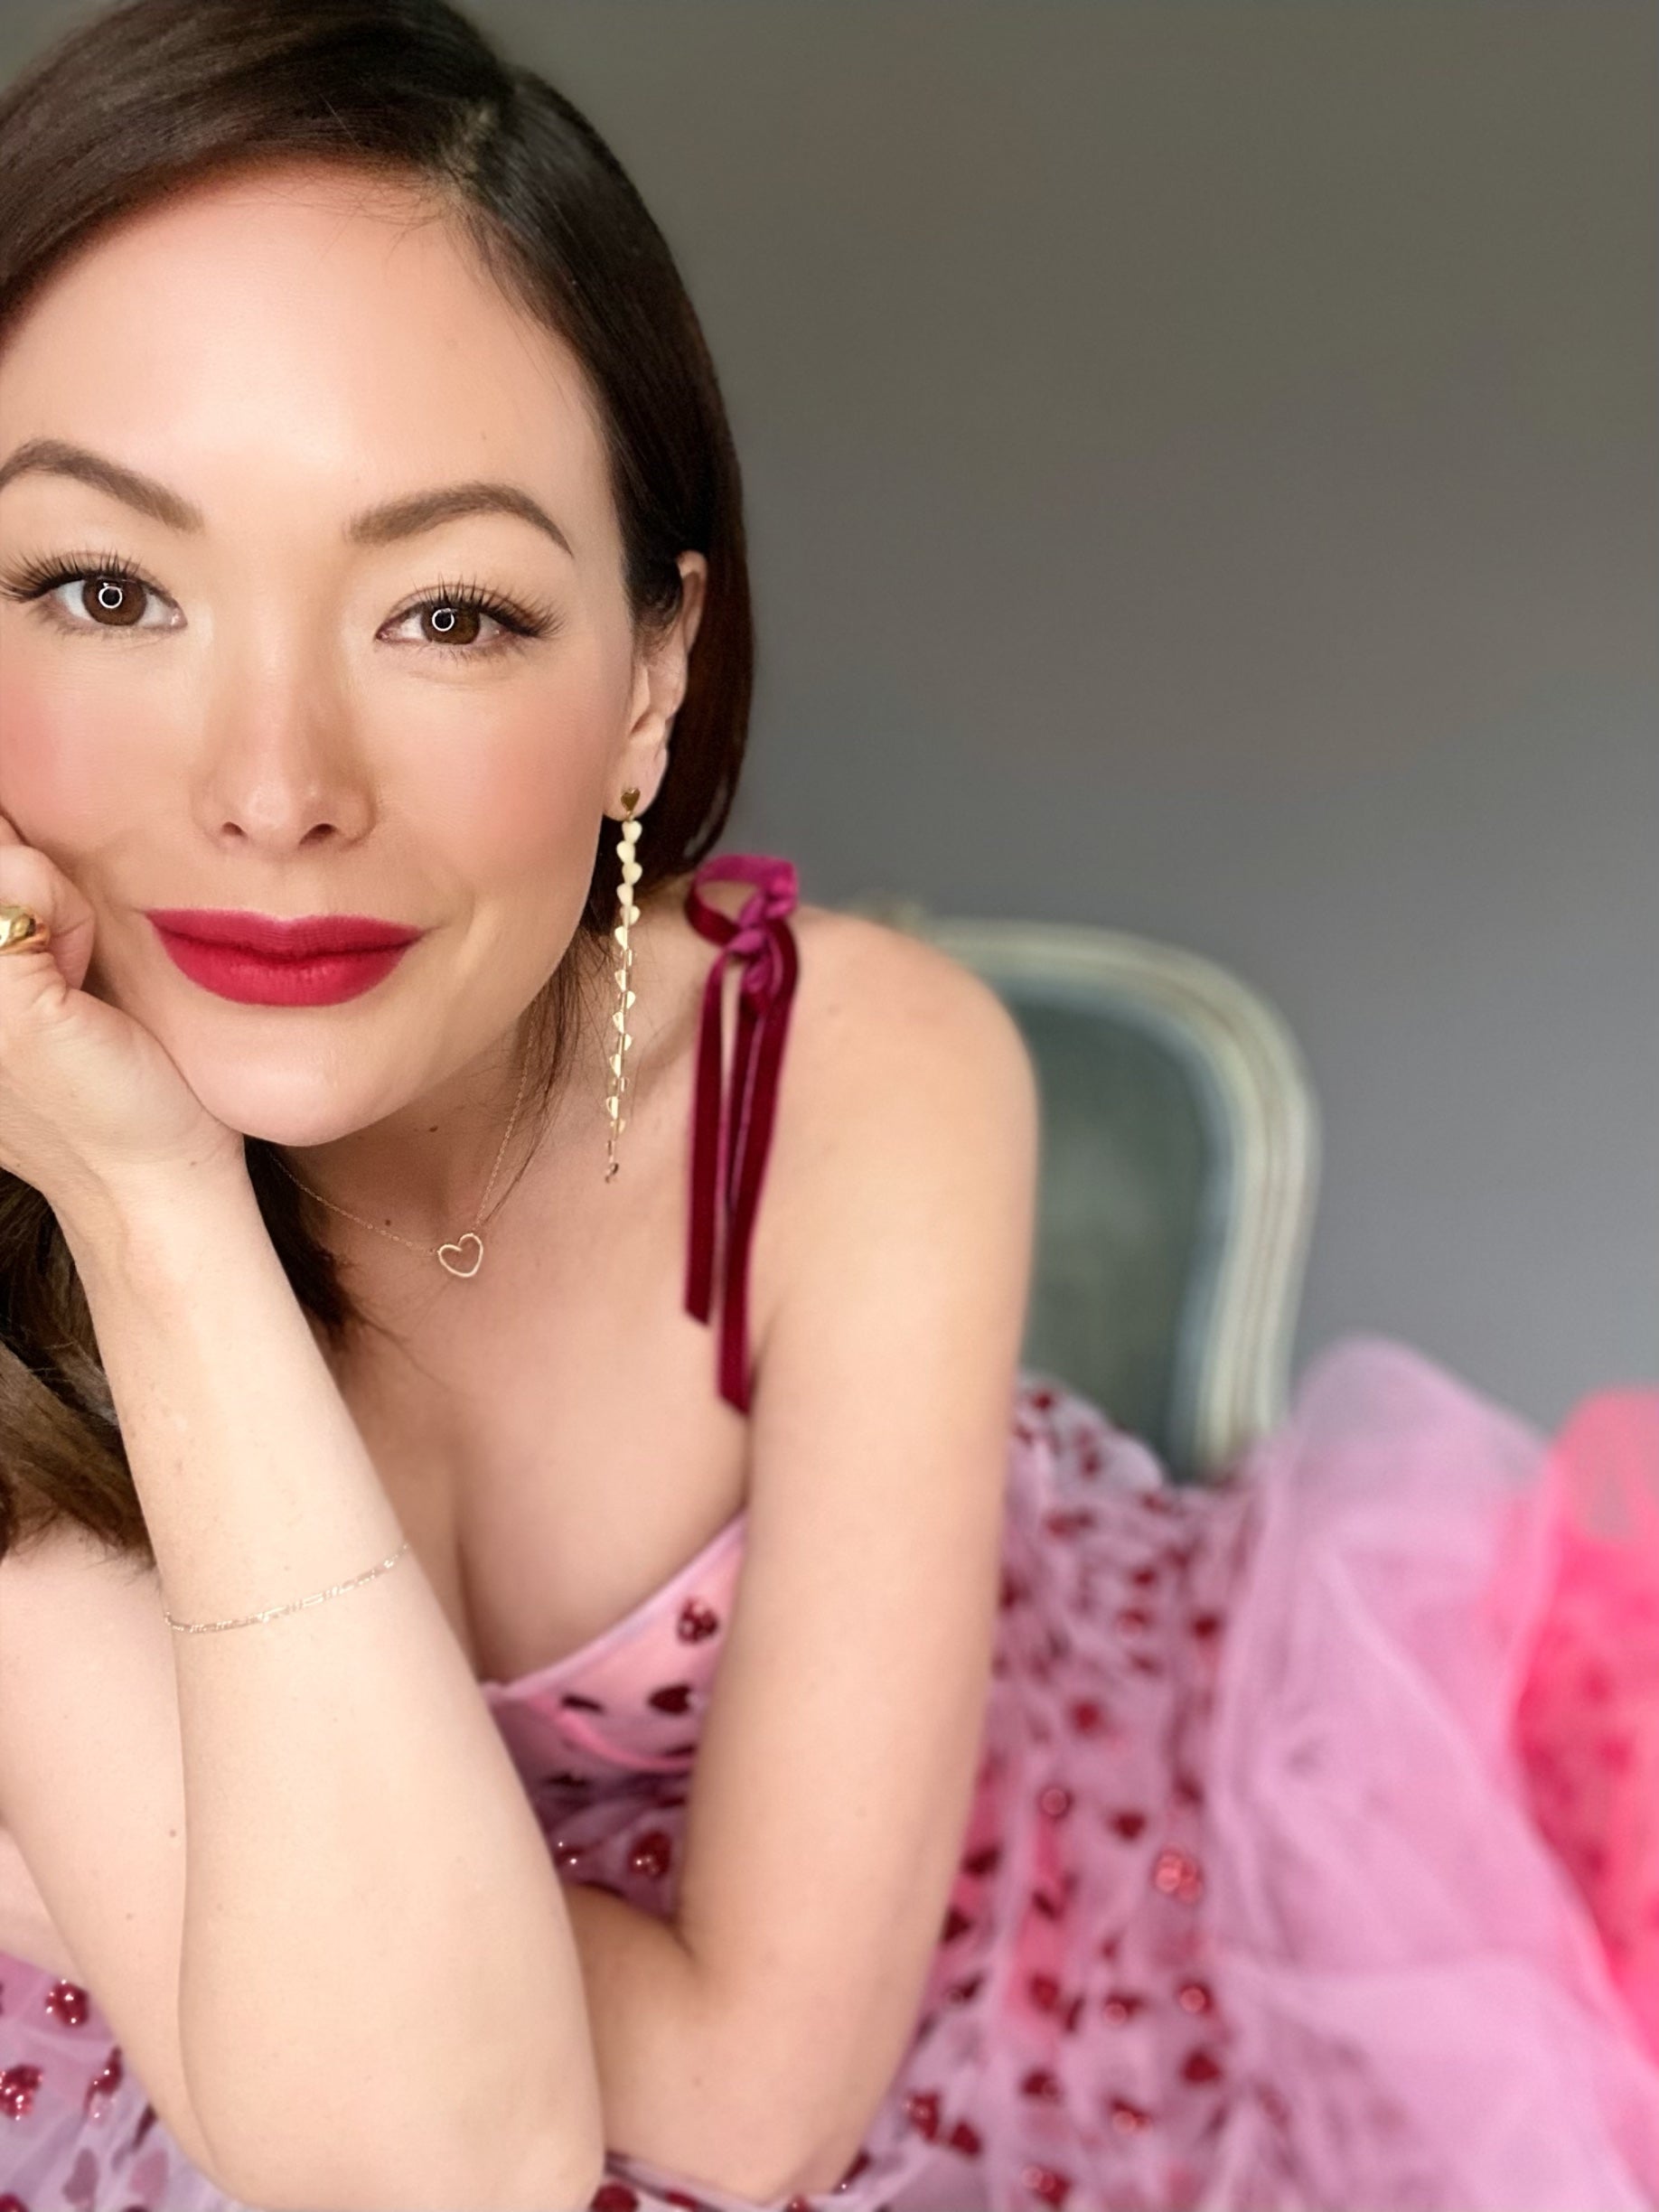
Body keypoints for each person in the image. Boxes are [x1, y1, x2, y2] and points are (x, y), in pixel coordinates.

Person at [0, 4, 1654, 2208]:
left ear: (650, 679)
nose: (275, 788)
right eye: (104, 589)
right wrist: (142, 1203)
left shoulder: (842, 1076)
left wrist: (174, 1889)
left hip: (1034, 2013)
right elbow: (425, 2162)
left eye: (451, 612)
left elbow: (759, 2105)